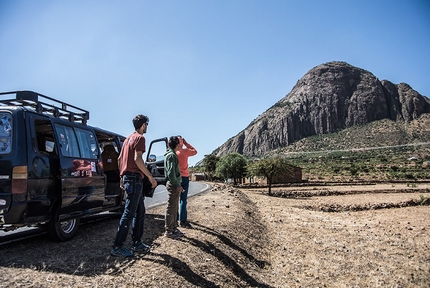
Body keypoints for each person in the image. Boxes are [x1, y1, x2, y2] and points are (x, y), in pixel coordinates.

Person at [111, 114, 157, 257]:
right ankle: (117, 246)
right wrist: (150, 177)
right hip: (134, 178)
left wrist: (121, 177)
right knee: (129, 213)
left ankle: (137, 242)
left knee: (140, 211)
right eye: (147, 125)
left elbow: (119, 159)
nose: (147, 127)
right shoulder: (140, 138)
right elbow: (138, 159)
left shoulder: (127, 140)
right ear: (143, 125)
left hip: (127, 177)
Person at [163, 136, 185, 239]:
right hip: (173, 185)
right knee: (171, 207)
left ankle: (174, 228)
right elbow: (171, 173)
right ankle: (169, 231)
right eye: (179, 144)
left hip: (174, 184)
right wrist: (177, 185)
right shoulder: (171, 156)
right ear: (177, 145)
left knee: (174, 207)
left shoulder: (170, 154)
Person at [176, 136, 197, 228]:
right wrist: (186, 143)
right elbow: (195, 151)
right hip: (184, 177)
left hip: (176, 178)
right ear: (181, 142)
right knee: (183, 199)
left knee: (174, 199)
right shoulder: (185, 151)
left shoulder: (174, 153)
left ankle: (175, 218)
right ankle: (182, 220)